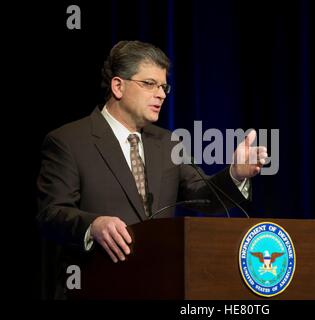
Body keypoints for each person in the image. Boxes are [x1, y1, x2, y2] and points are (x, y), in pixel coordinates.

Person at [36, 40, 267, 299]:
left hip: (158, 287)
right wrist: (93, 225)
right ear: (118, 86)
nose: (161, 94)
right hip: (95, 286)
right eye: (149, 84)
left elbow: (203, 195)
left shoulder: (168, 142)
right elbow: (50, 214)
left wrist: (235, 173)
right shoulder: (68, 141)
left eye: (163, 86)